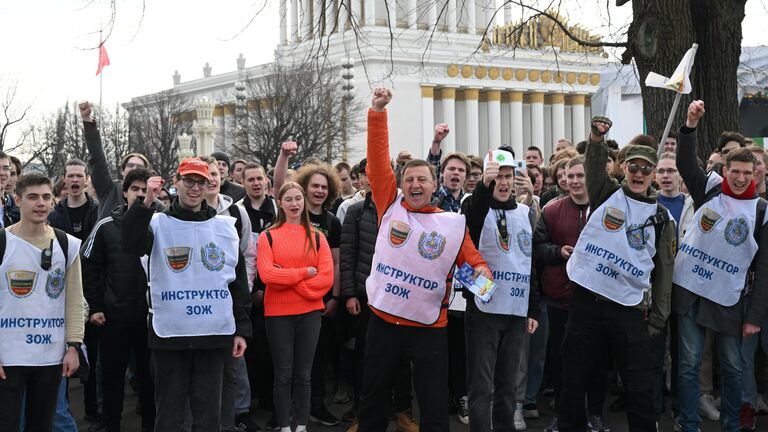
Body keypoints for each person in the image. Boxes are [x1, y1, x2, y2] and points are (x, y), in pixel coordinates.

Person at [357, 87, 490, 432]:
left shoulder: (451, 223)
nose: (415, 184)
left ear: (435, 185)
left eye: (422, 180)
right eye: (409, 179)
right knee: (372, 399)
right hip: (383, 322)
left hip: (430, 328)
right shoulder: (390, 203)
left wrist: (481, 286)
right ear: (401, 184)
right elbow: (376, 159)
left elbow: (475, 266)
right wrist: (377, 112)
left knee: (432, 406)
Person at [558, 115, 676, 432]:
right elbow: (595, 168)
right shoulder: (607, 193)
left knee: (639, 386)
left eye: (645, 169)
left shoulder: (662, 218)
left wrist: (659, 318)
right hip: (587, 302)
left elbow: (664, 273)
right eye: (633, 167)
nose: (638, 174)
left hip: (627, 308)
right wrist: (596, 140)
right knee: (574, 377)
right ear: (623, 168)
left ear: (654, 174)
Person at [121, 157, 251, 430]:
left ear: (208, 186)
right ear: (176, 183)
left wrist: (241, 329)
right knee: (169, 415)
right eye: (188, 181)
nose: (194, 188)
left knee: (208, 416)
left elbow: (237, 284)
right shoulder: (156, 222)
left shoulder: (225, 227)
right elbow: (131, 244)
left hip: (212, 336)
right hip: (170, 337)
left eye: (200, 182)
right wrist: (145, 203)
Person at [673, 101, 768, 432]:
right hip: (690, 293)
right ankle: (687, 424)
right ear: (725, 171)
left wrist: (755, 317)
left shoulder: (761, 211)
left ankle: (731, 426)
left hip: (730, 300)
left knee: (732, 367)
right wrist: (689, 125)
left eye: (747, 172)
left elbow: (765, 270)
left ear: (755, 173)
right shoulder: (709, 190)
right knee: (687, 365)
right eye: (735, 172)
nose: (741, 178)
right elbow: (685, 164)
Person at [462, 149, 539, 432]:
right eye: (498, 178)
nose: (504, 183)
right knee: (482, 386)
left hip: (516, 310)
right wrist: (484, 184)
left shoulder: (524, 212)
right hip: (484, 308)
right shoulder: (474, 205)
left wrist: (532, 308)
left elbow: (529, 263)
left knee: (507, 386)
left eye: (508, 177)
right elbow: (474, 214)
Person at [0, 173, 83, 431]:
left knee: (42, 425)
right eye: (33, 197)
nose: (41, 203)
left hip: (49, 354)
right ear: (18, 200)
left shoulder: (66, 244)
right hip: (8, 355)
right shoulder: (3, 241)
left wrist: (73, 346)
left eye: (47, 197)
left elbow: (74, 300)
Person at [340, 159, 418, 432]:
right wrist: (349, 294)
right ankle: (365, 415)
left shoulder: (405, 208)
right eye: (371, 172)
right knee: (367, 359)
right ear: (363, 177)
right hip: (366, 298)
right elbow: (348, 256)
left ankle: (403, 414)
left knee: (401, 360)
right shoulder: (355, 212)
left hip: (400, 297)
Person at [535, 156, 610, 432]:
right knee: (561, 359)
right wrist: (558, 252)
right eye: (570, 176)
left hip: (597, 299)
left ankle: (596, 413)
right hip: (560, 299)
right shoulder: (552, 210)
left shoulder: (606, 209)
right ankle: (563, 413)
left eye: (581, 175)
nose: (576, 181)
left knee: (597, 360)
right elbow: (539, 246)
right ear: (563, 179)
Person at [81, 167, 156, 432]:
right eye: (135, 189)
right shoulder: (106, 226)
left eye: (145, 189)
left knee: (150, 379)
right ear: (124, 193)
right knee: (112, 378)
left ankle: (150, 425)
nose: (140, 193)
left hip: (152, 319)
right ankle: (111, 424)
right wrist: (96, 307)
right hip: (114, 316)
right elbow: (87, 267)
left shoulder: (161, 223)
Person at [257, 182, 334, 432]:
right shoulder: (267, 236)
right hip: (278, 314)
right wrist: (304, 273)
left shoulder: (318, 237)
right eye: (288, 199)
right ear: (279, 203)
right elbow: (268, 275)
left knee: (304, 373)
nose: (294, 204)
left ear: (303, 201)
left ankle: (300, 424)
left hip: (310, 313)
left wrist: (290, 280)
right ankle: (283, 425)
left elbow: (325, 279)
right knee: (283, 374)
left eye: (298, 198)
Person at [198, 155, 257, 432]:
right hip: (199, 302)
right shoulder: (185, 211)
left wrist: (242, 290)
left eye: (214, 173)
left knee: (235, 359)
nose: (210, 178)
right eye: (204, 174)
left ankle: (239, 413)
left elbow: (246, 253)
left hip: (231, 298)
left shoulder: (235, 211)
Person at [240, 161, 280, 430]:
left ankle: (269, 398)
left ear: (266, 182)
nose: (255, 183)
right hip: (249, 291)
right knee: (250, 348)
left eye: (259, 179)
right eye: (250, 179)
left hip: (275, 290)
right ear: (243, 184)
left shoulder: (277, 209)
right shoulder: (238, 211)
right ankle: (251, 398)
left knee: (272, 348)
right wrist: (251, 291)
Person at [80, 102, 154, 220]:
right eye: (130, 165)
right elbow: (97, 158)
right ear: (123, 170)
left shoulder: (153, 199)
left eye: (139, 167)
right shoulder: (109, 188)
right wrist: (88, 122)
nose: (134, 169)